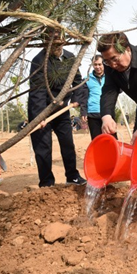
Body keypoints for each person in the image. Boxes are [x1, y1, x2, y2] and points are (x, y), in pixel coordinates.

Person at [28, 28, 87, 187]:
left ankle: (72, 176)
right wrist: (40, 116)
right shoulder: (39, 61)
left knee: (68, 143)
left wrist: (75, 99)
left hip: (62, 111)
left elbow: (78, 82)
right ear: (45, 44)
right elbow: (37, 92)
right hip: (42, 109)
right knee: (43, 147)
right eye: (51, 44)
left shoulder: (70, 57)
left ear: (64, 42)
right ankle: (46, 182)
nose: (56, 48)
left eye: (59, 44)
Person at [85, 55, 105, 140]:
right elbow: (84, 97)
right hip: (92, 113)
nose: (97, 67)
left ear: (104, 64)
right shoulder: (87, 79)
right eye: (95, 64)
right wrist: (83, 111)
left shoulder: (110, 77)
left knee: (111, 138)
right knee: (97, 140)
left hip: (107, 112)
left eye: (99, 64)